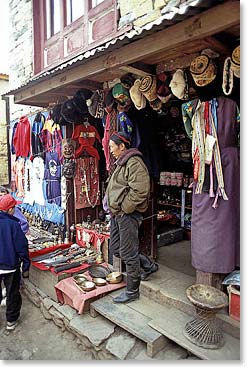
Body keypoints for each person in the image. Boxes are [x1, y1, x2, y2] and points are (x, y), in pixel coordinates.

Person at [105, 131, 157, 304]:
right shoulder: (121, 163)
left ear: (122, 146)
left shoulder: (134, 162)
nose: (111, 150)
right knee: (116, 247)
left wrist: (125, 208)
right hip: (118, 214)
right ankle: (148, 265)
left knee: (127, 252)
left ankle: (132, 291)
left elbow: (140, 190)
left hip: (127, 214)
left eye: (113, 147)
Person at [0, 194, 30, 330]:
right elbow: (21, 247)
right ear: (10, 209)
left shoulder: (12, 224)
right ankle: (11, 321)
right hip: (10, 265)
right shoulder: (13, 225)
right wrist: (26, 266)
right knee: (13, 294)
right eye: (14, 207)